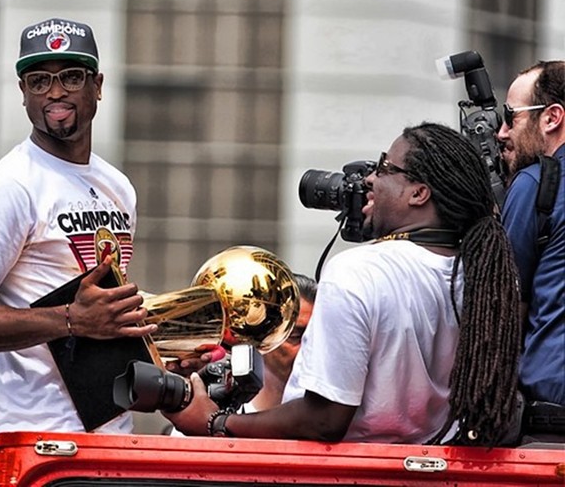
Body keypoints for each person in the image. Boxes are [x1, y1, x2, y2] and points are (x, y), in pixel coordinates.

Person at [165, 122, 522, 447]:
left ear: (419, 193)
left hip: (350, 473)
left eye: (385, 168)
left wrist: (215, 422)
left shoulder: (358, 270)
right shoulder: (482, 276)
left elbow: (325, 420)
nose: (370, 180)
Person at [0, 17, 161, 458]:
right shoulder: (8, 188)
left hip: (109, 433)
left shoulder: (118, 187)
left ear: (98, 86)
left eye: (71, 77)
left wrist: (163, 343)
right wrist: (72, 320)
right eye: (39, 81)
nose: (55, 92)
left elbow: (103, 310)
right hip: (34, 438)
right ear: (23, 93)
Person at [497, 60, 564, 439]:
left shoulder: (536, 183)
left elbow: (507, 306)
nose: (502, 132)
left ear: (552, 117)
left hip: (553, 430)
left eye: (512, 116)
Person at [245, 273, 316, 411]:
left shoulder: (337, 417)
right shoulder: (221, 408)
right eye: (295, 336)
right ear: (260, 337)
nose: (308, 349)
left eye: (316, 339)